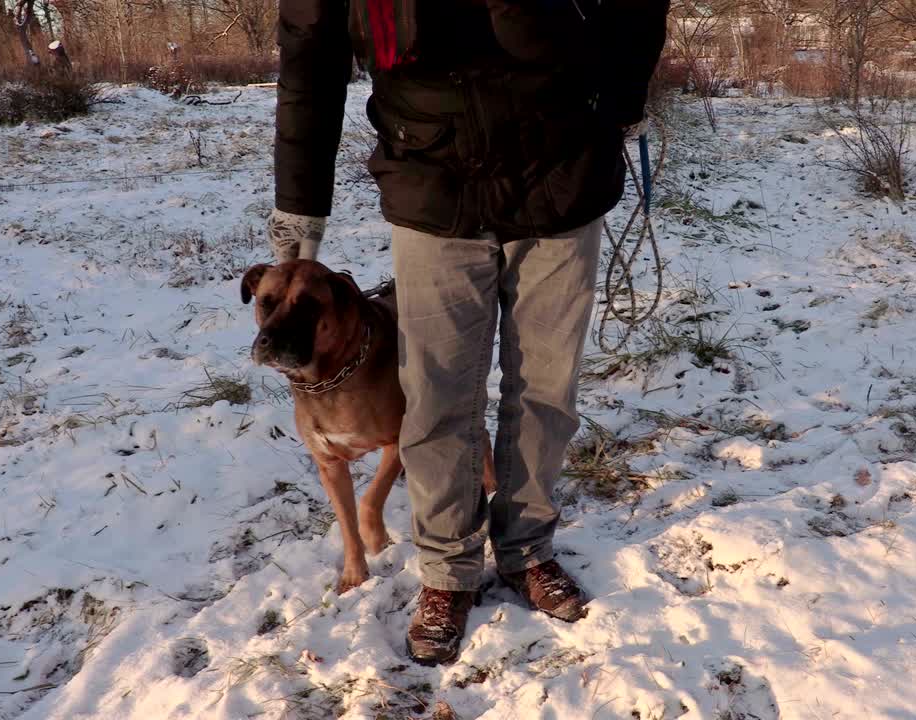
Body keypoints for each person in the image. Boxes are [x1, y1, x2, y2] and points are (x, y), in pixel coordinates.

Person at [268, 0, 668, 666]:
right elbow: (311, 47)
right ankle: (448, 571)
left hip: (560, 168)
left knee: (545, 390)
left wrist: (618, 105)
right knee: (436, 395)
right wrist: (299, 207)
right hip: (431, 177)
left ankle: (527, 549)